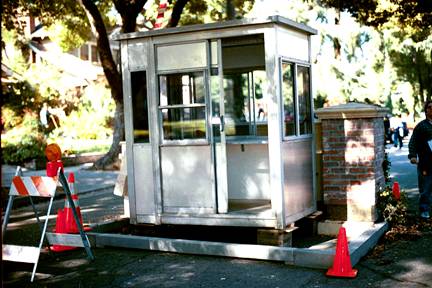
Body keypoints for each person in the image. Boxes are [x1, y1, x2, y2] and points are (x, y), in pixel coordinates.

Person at [408, 100, 432, 219]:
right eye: (429, 107)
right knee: (425, 188)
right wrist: (412, 156)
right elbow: (413, 142)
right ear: (426, 110)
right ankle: (424, 210)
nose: (431, 109)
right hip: (426, 163)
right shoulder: (421, 126)